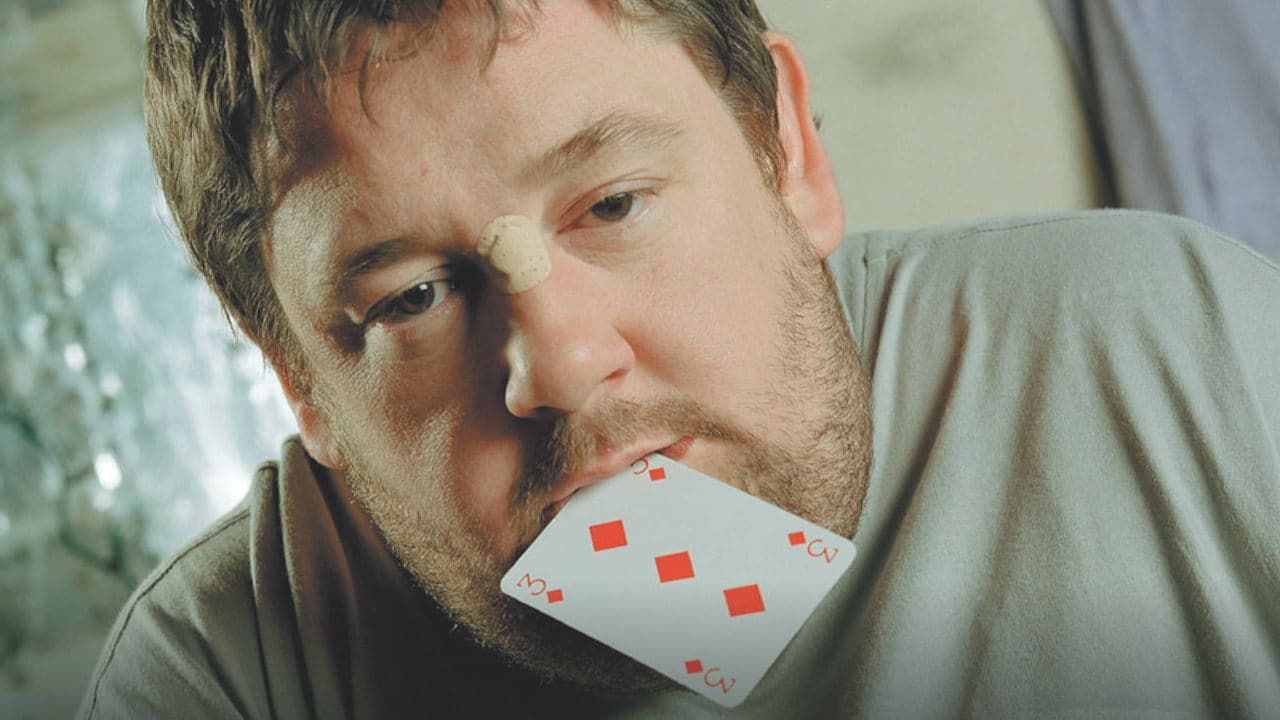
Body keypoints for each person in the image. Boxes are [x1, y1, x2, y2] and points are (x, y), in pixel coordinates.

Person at [79, 0, 1280, 717]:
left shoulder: (1179, 354)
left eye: (611, 204)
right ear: (297, 378)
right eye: (412, 298)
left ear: (785, 151)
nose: (558, 365)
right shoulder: (225, 676)